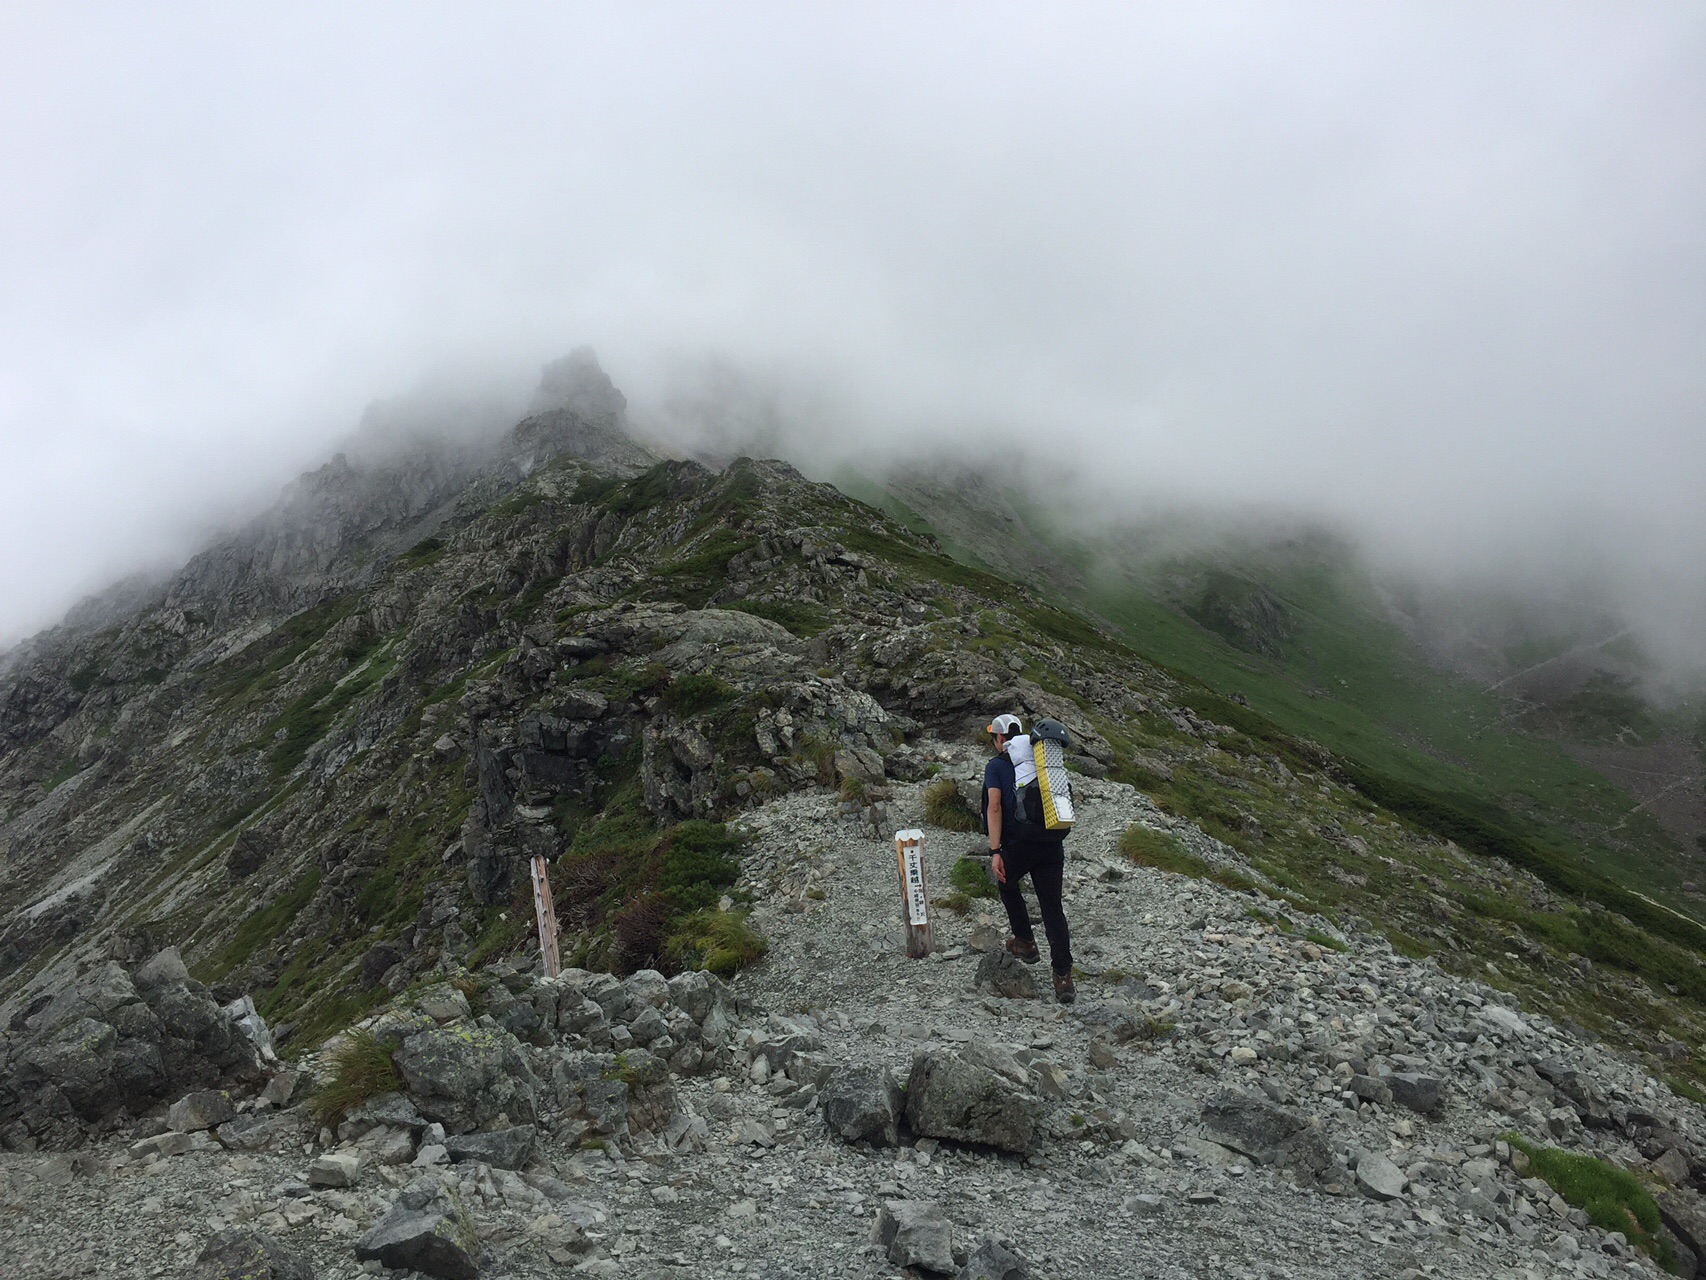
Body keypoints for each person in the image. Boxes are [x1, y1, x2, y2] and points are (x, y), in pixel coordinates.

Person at [983, 712, 1075, 1004]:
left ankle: (1024, 941)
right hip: (1051, 844)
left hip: (1019, 844)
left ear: (999, 738)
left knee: (1006, 883)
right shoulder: (1041, 760)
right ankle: (1063, 977)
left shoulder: (996, 766)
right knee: (1052, 908)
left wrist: (995, 852)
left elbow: (994, 807)